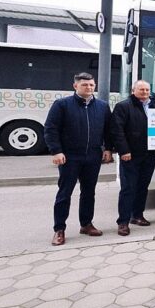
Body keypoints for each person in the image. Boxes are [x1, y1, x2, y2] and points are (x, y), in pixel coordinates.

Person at [44, 72, 113, 246]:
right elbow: (51, 129)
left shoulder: (103, 106)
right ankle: (59, 229)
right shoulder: (62, 105)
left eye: (91, 85)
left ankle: (86, 224)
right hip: (70, 157)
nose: (89, 87)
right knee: (64, 193)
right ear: (75, 86)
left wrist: (108, 149)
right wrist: (56, 151)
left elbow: (108, 130)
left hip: (93, 156)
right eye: (84, 85)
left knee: (89, 192)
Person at [111, 80, 155, 236]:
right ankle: (123, 222)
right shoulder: (123, 106)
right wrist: (123, 151)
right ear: (133, 91)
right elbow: (117, 131)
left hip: (149, 154)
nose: (145, 92)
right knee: (128, 189)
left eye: (147, 90)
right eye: (141, 89)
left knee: (142, 187)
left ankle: (137, 215)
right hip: (130, 155)